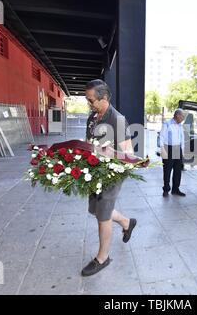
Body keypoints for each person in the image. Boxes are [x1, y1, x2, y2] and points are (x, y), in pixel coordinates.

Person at [81, 79, 137, 276]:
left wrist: (108, 151)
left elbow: (129, 154)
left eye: (91, 100)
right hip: (95, 170)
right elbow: (90, 143)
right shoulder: (93, 118)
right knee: (96, 210)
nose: (89, 104)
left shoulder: (118, 120)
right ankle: (126, 222)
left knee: (103, 214)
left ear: (103, 98)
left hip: (113, 173)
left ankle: (102, 258)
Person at [160, 109, 186, 197]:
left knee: (178, 171)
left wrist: (182, 150)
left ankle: (175, 189)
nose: (183, 118)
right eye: (182, 116)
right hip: (168, 148)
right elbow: (161, 137)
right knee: (167, 170)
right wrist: (162, 149)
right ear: (177, 115)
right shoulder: (167, 124)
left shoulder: (180, 126)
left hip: (177, 149)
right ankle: (166, 190)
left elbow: (182, 138)